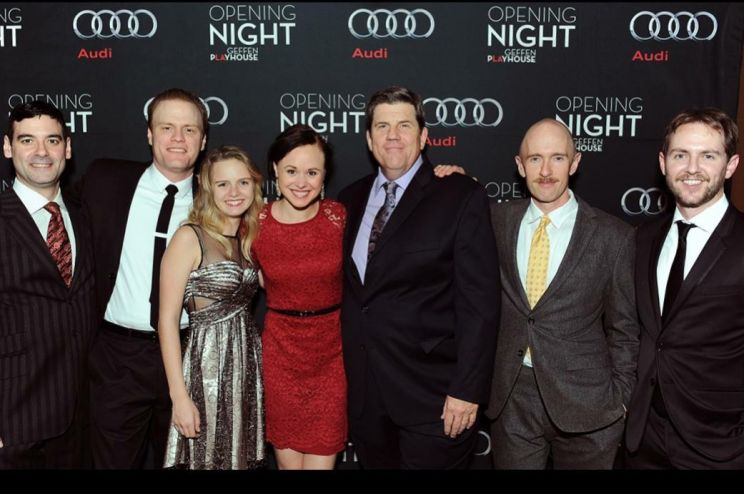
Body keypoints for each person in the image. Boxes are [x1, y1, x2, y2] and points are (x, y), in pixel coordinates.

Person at [337, 86, 501, 469]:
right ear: (369, 139)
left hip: (435, 398)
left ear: (424, 136)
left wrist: (467, 389)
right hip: (366, 397)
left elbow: (480, 304)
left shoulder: (460, 195)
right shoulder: (348, 199)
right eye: (382, 126)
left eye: (404, 125)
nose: (392, 135)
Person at [485, 118, 639, 469]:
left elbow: (625, 329)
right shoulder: (494, 221)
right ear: (520, 165)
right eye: (535, 159)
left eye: (557, 158)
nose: (545, 171)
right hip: (512, 398)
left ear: (575, 162)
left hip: (590, 404)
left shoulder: (613, 236)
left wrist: (621, 400)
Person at [75, 88, 207, 468]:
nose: (178, 139)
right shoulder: (105, 180)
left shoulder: (216, 200)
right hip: (117, 359)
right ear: (149, 134)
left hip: (187, 358)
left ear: (203, 140)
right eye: (167, 128)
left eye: (189, 129)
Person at [624, 108, 744, 469]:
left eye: (707, 156)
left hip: (720, 443)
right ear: (663, 163)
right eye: (680, 155)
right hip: (642, 438)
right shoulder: (642, 238)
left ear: (731, 165)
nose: (692, 168)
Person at [0, 100, 97, 468]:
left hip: (81, 421)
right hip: (14, 422)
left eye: (52, 140)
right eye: (27, 140)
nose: (41, 152)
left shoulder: (85, 214)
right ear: (8, 148)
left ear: (67, 148)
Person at [158, 145, 265, 469]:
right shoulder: (189, 237)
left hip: (246, 367)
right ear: (208, 189)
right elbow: (166, 321)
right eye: (223, 184)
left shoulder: (250, 240)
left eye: (243, 182)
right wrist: (179, 396)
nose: (234, 192)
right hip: (205, 371)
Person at [252, 124, 346, 470]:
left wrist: (448, 179)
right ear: (275, 169)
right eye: (291, 171)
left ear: (324, 176)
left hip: (332, 356)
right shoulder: (254, 223)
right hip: (281, 355)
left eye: (312, 172)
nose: (301, 182)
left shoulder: (340, 217)